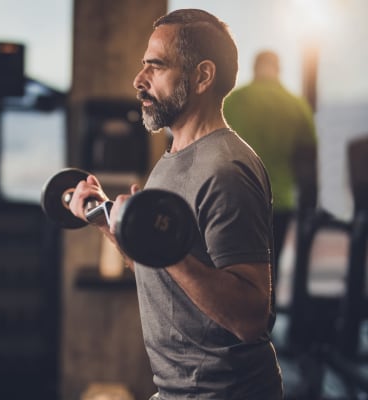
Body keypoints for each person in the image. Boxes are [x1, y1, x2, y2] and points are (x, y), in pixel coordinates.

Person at [68, 9, 283, 399]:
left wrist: (166, 250)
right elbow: (163, 270)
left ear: (202, 76)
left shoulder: (227, 169)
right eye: (142, 66)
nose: (139, 80)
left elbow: (252, 318)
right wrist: (110, 224)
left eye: (156, 66)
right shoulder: (173, 159)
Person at [223, 50, 317, 283]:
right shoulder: (297, 106)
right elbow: (307, 165)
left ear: (255, 68)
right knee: (267, 276)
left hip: (234, 202)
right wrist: (309, 210)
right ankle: (263, 318)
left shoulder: (232, 101)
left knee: (230, 273)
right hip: (278, 205)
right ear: (278, 69)